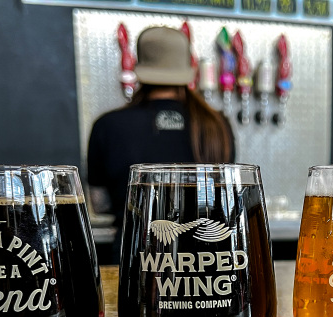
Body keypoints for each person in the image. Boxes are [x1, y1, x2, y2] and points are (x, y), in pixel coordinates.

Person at [87, 26, 235, 262]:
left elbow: (99, 204)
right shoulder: (217, 125)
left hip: (137, 260)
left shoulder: (107, 125)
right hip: (208, 262)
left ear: (139, 65)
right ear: (188, 66)